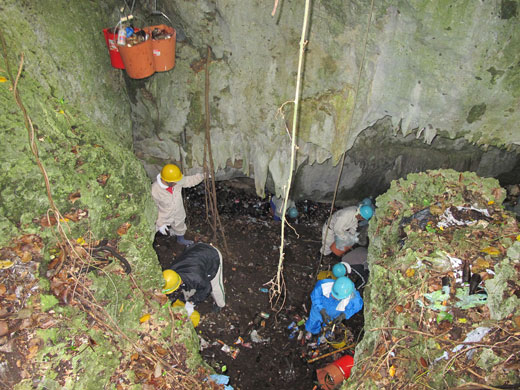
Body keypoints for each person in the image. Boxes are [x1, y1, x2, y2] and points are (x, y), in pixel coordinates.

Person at [162, 242, 226, 314]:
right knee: (191, 284)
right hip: (196, 251)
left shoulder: (196, 278)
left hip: (212, 256)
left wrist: (192, 302)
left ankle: (220, 304)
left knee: (215, 286)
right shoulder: (170, 272)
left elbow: (207, 288)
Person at [151, 164, 204, 246]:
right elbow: (153, 209)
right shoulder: (155, 190)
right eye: (175, 182)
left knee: (180, 226)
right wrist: (160, 223)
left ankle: (180, 239)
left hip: (178, 213)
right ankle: (152, 244)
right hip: (163, 216)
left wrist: (202, 176)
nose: (178, 182)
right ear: (167, 181)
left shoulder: (175, 181)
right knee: (152, 230)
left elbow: (189, 181)